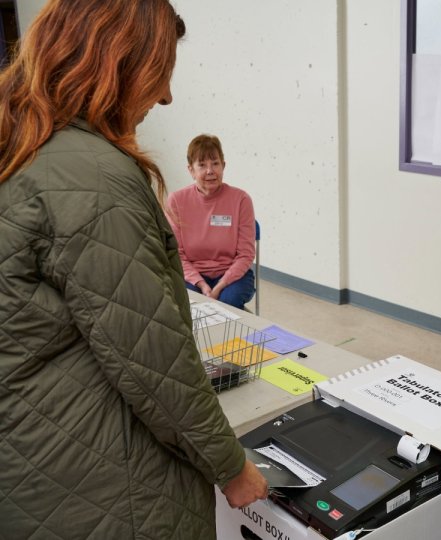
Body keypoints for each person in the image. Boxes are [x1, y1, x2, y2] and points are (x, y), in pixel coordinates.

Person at [0, 1, 267, 538]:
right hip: (105, 484)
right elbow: (154, 358)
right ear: (117, 61)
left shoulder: (25, 145)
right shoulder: (94, 176)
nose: (166, 95)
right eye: (160, 71)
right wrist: (230, 466)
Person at [166, 134, 256, 310]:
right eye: (202, 165)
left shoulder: (241, 200)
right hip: (191, 274)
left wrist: (221, 285)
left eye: (215, 163)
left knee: (227, 303)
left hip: (233, 275)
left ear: (223, 165)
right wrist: (201, 284)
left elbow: (245, 254)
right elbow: (176, 254)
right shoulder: (176, 201)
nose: (210, 171)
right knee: (188, 302)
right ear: (191, 170)